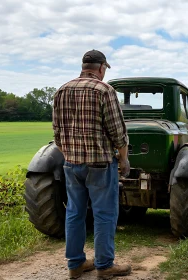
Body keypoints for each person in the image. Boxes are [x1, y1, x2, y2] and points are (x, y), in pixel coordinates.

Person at [52, 50, 132, 279]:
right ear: (101, 68)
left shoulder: (61, 91)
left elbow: (57, 134)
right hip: (100, 165)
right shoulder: (105, 91)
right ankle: (105, 266)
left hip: (72, 164)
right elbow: (118, 133)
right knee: (104, 214)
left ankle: (75, 264)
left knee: (75, 213)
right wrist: (124, 160)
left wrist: (70, 155)